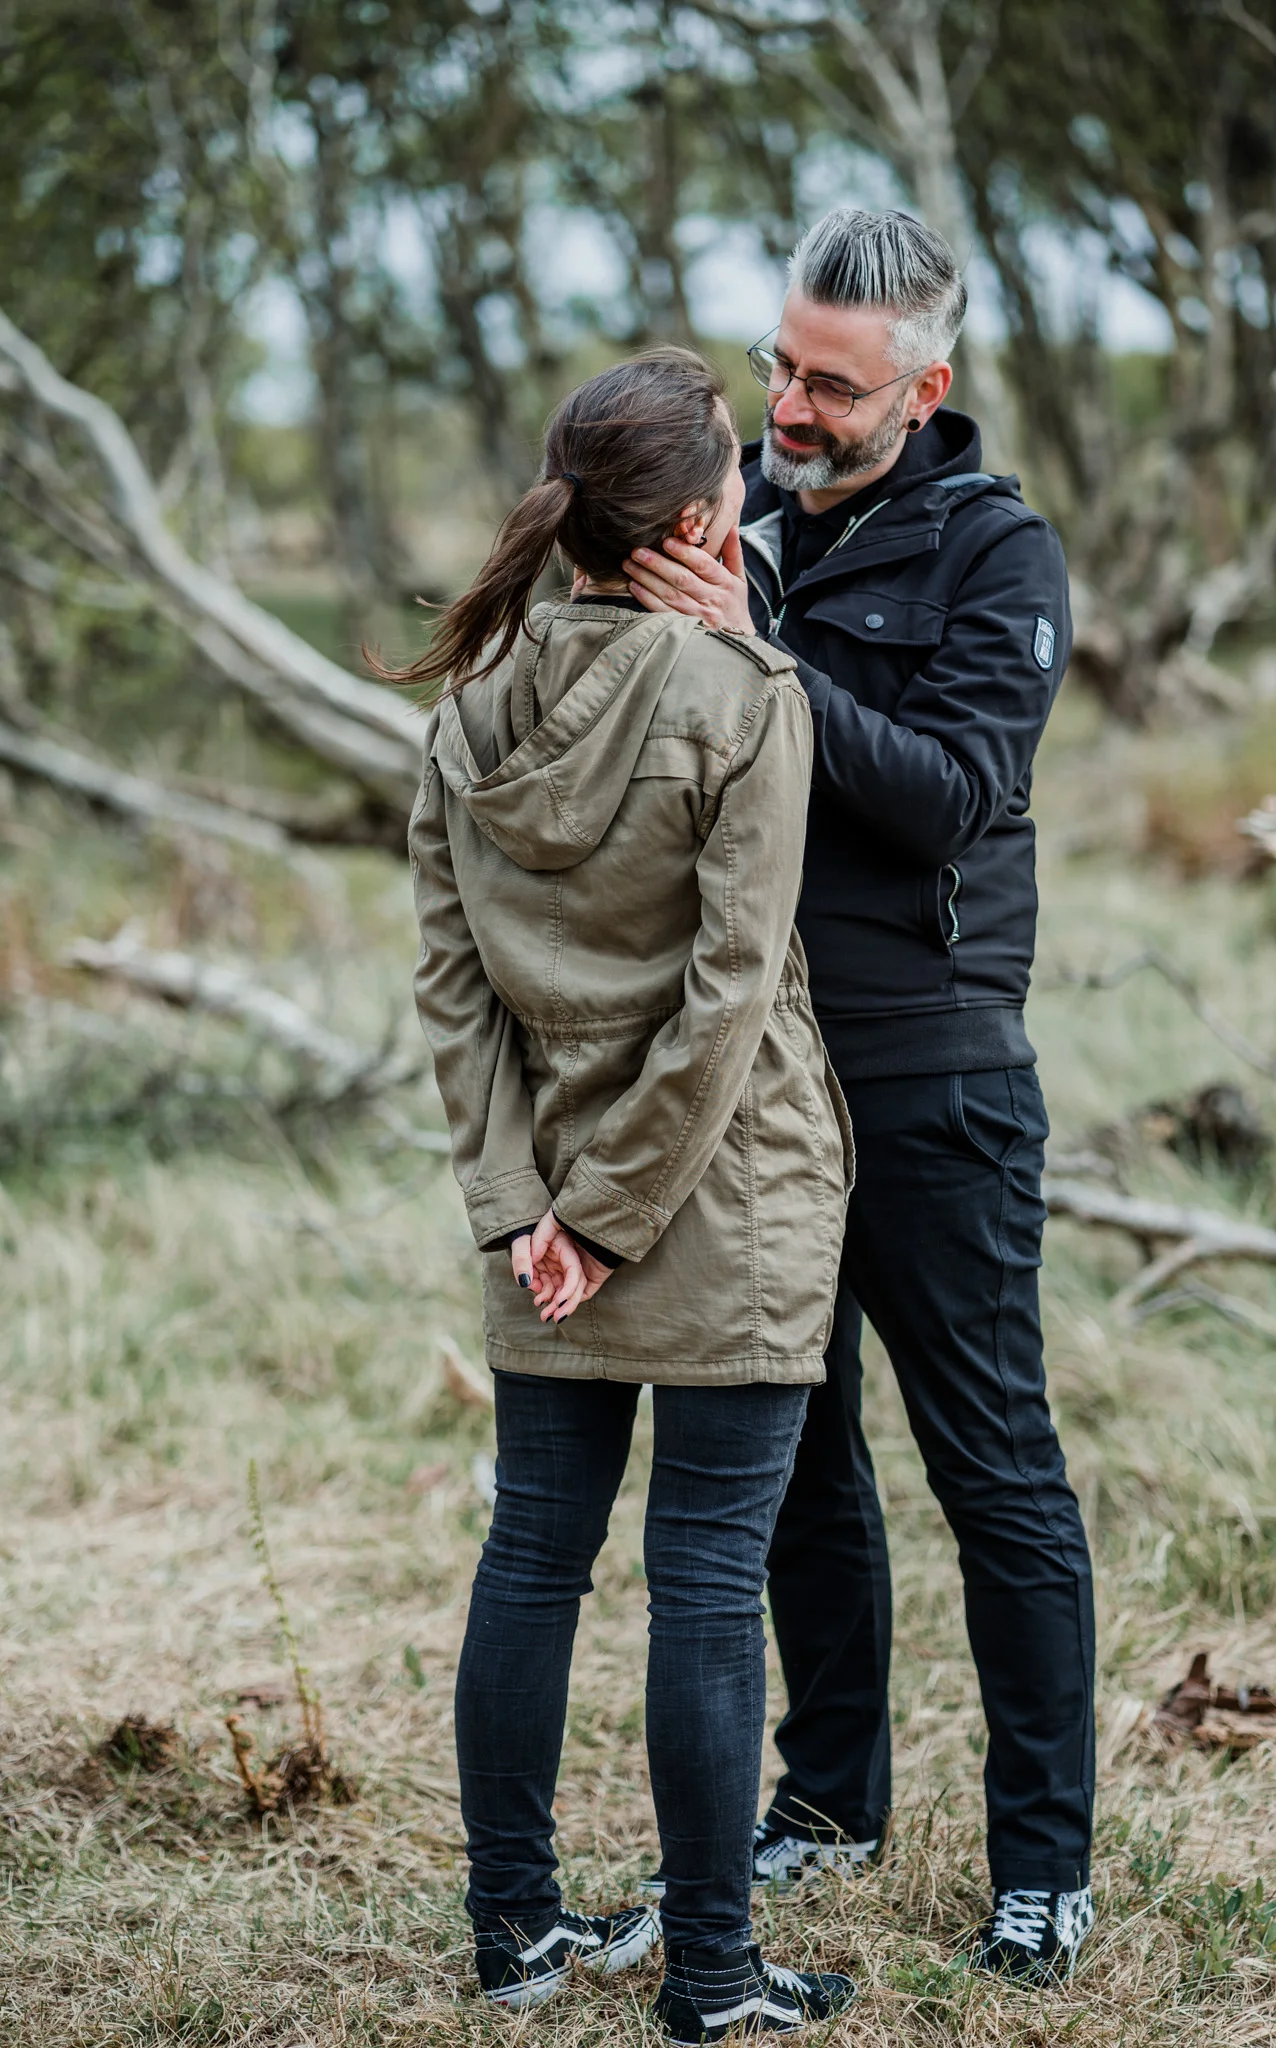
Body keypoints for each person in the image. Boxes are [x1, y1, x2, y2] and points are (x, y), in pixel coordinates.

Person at [623, 210, 1097, 1986]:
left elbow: (951, 795)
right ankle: (829, 1806)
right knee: (796, 1461)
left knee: (995, 1471)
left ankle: (1044, 1868)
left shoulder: (1000, 553)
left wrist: (759, 648)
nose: (791, 408)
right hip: (751, 1077)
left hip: (930, 1075)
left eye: (832, 384)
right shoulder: (734, 515)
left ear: (925, 385)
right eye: (781, 366)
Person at [391, 347, 857, 2040]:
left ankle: (515, 1934)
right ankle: (713, 1981)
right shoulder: (747, 695)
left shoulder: (466, 710)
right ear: (702, 522)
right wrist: (607, 1216)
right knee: (710, 1578)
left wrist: (528, 1204)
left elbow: (453, 995)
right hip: (725, 1198)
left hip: (543, 1221)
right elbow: (730, 999)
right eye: (740, 471)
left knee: (533, 1555)